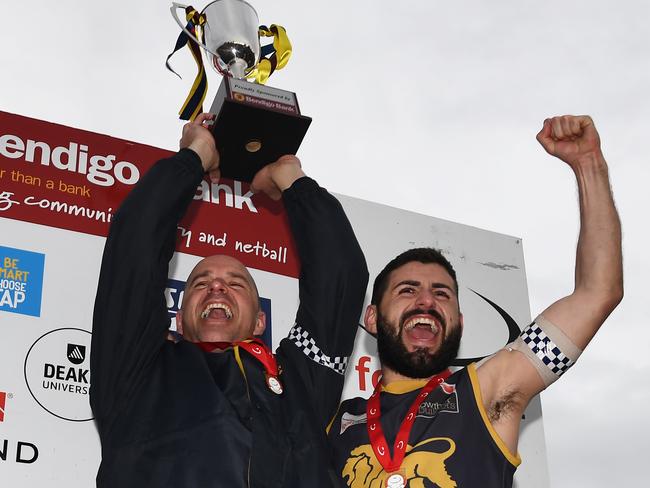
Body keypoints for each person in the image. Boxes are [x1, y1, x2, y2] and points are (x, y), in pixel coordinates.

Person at [327, 115, 623, 488]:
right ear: (371, 318)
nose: (425, 301)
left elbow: (598, 293)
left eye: (441, 294)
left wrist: (589, 163)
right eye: (407, 290)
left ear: (460, 322)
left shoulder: (484, 392)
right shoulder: (335, 424)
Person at [90, 113, 369, 488]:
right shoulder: (138, 373)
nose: (216, 288)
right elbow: (134, 247)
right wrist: (195, 156)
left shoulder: (300, 380)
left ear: (259, 322)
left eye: (235, 283)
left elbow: (341, 274)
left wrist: (291, 177)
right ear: (179, 318)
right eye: (200, 283)